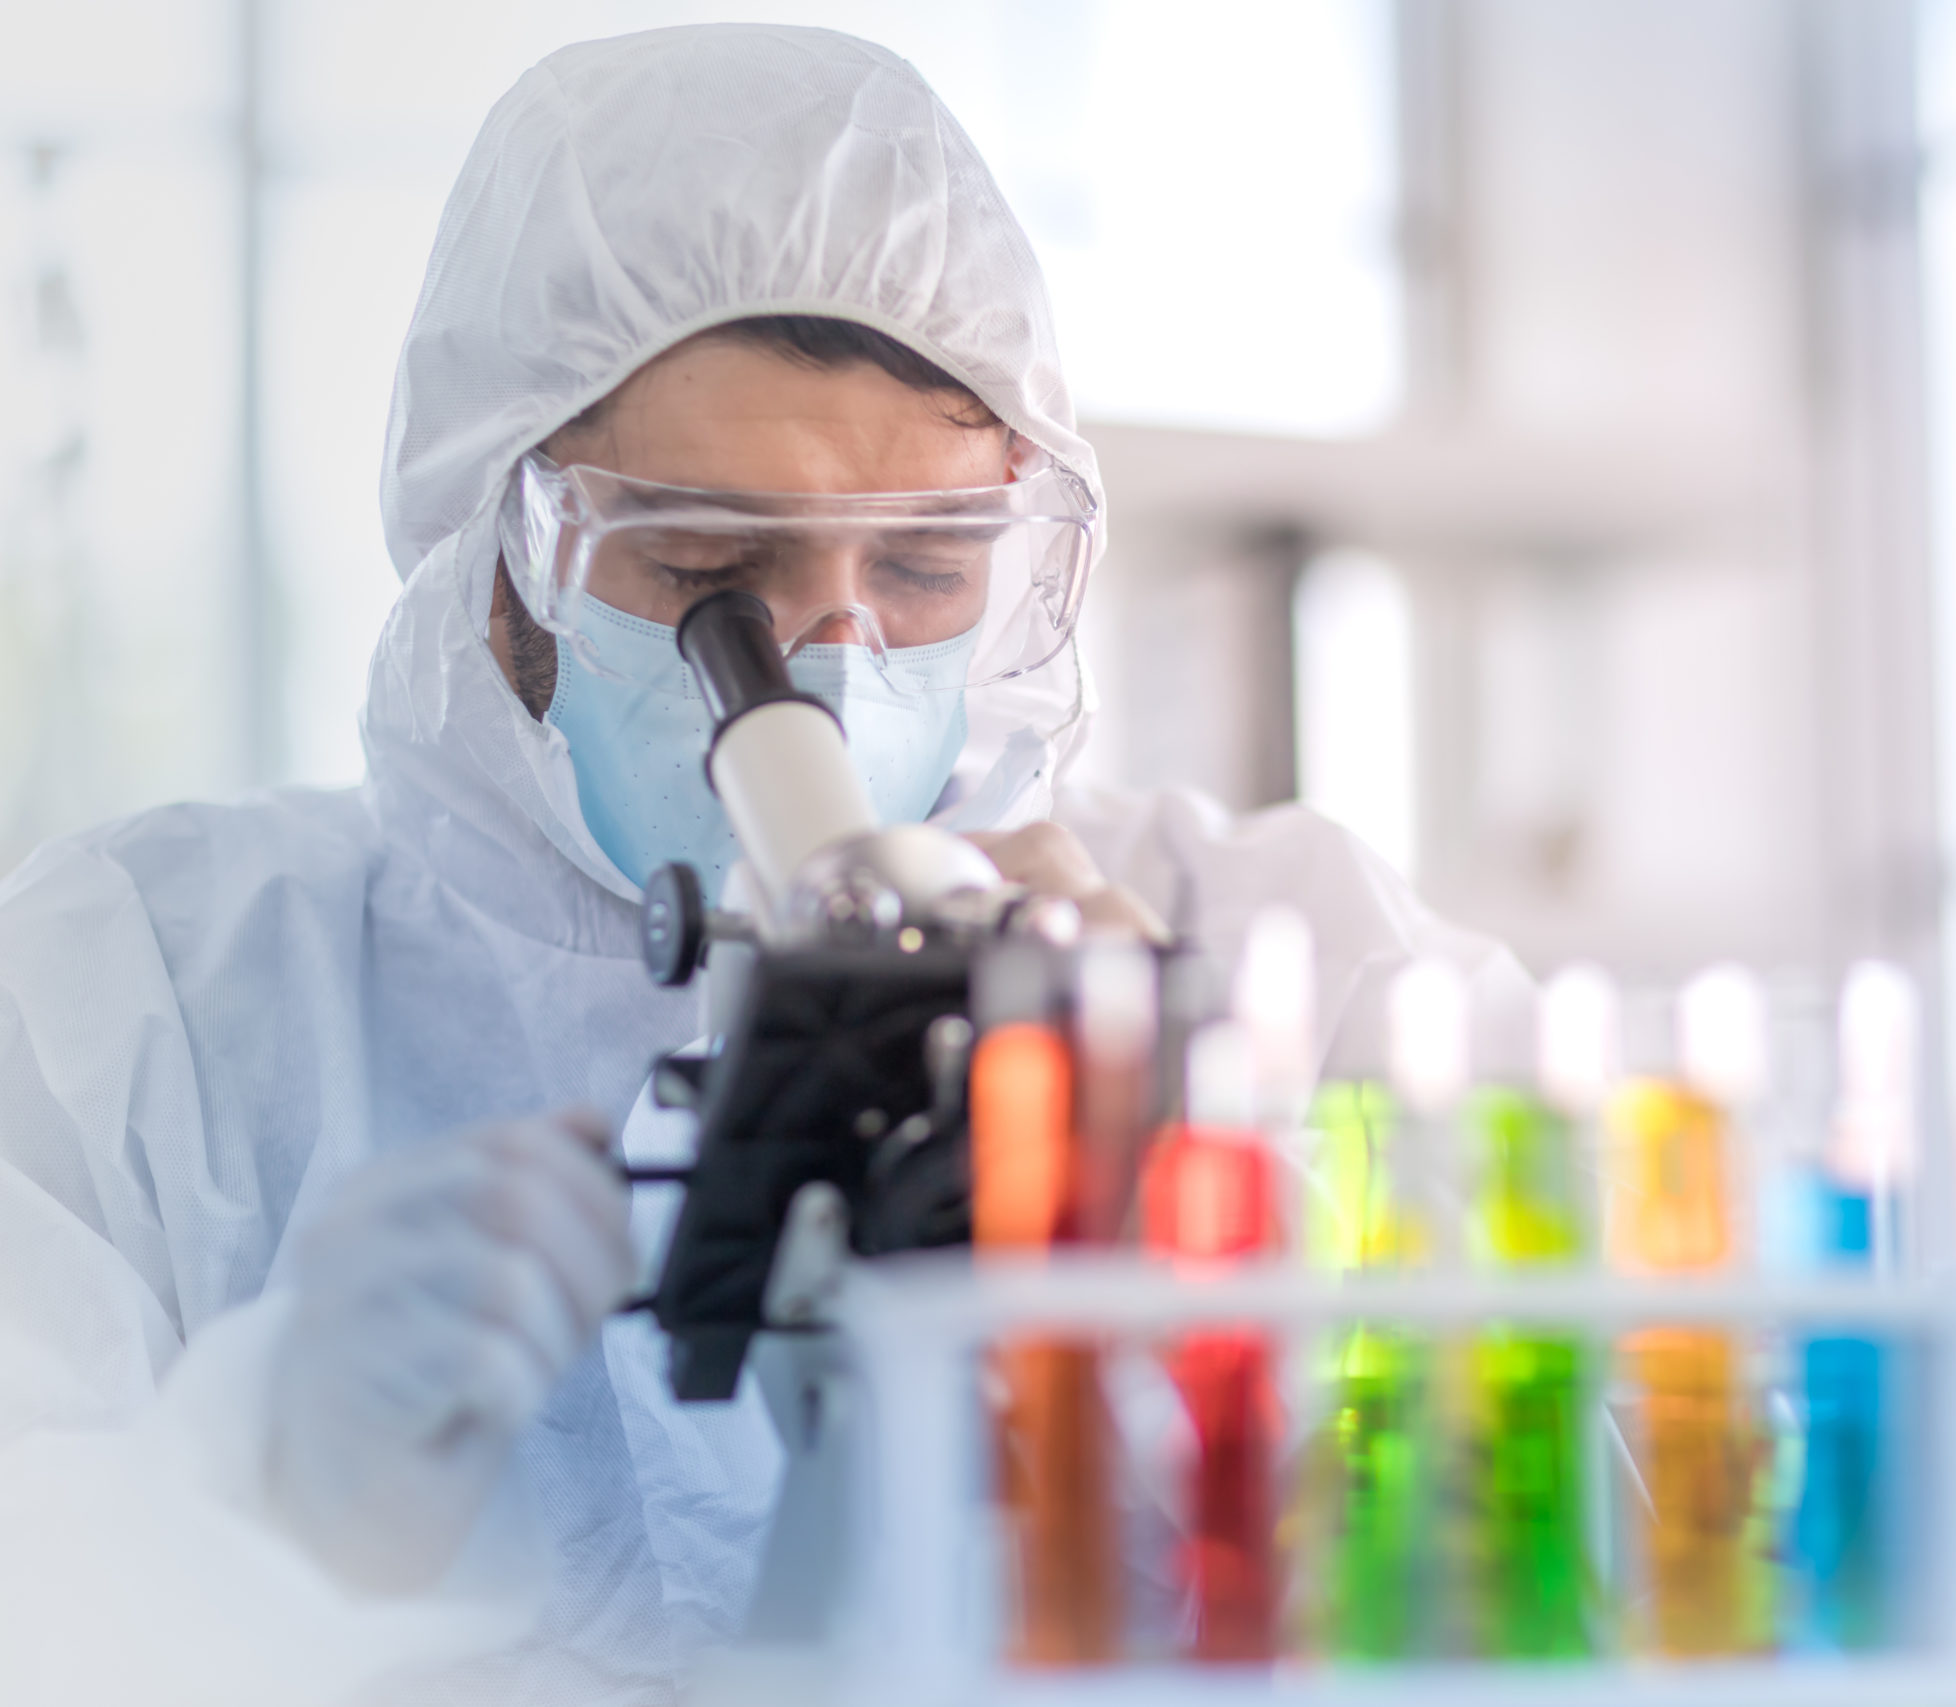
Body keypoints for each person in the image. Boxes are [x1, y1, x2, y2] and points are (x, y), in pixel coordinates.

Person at [0, 23, 1524, 1705]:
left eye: (933, 570)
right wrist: (236, 1509)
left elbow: (1648, 1564)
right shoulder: (132, 1009)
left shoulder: (1288, 964)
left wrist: (1241, 1296)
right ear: (495, 560)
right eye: (707, 568)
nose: (836, 662)